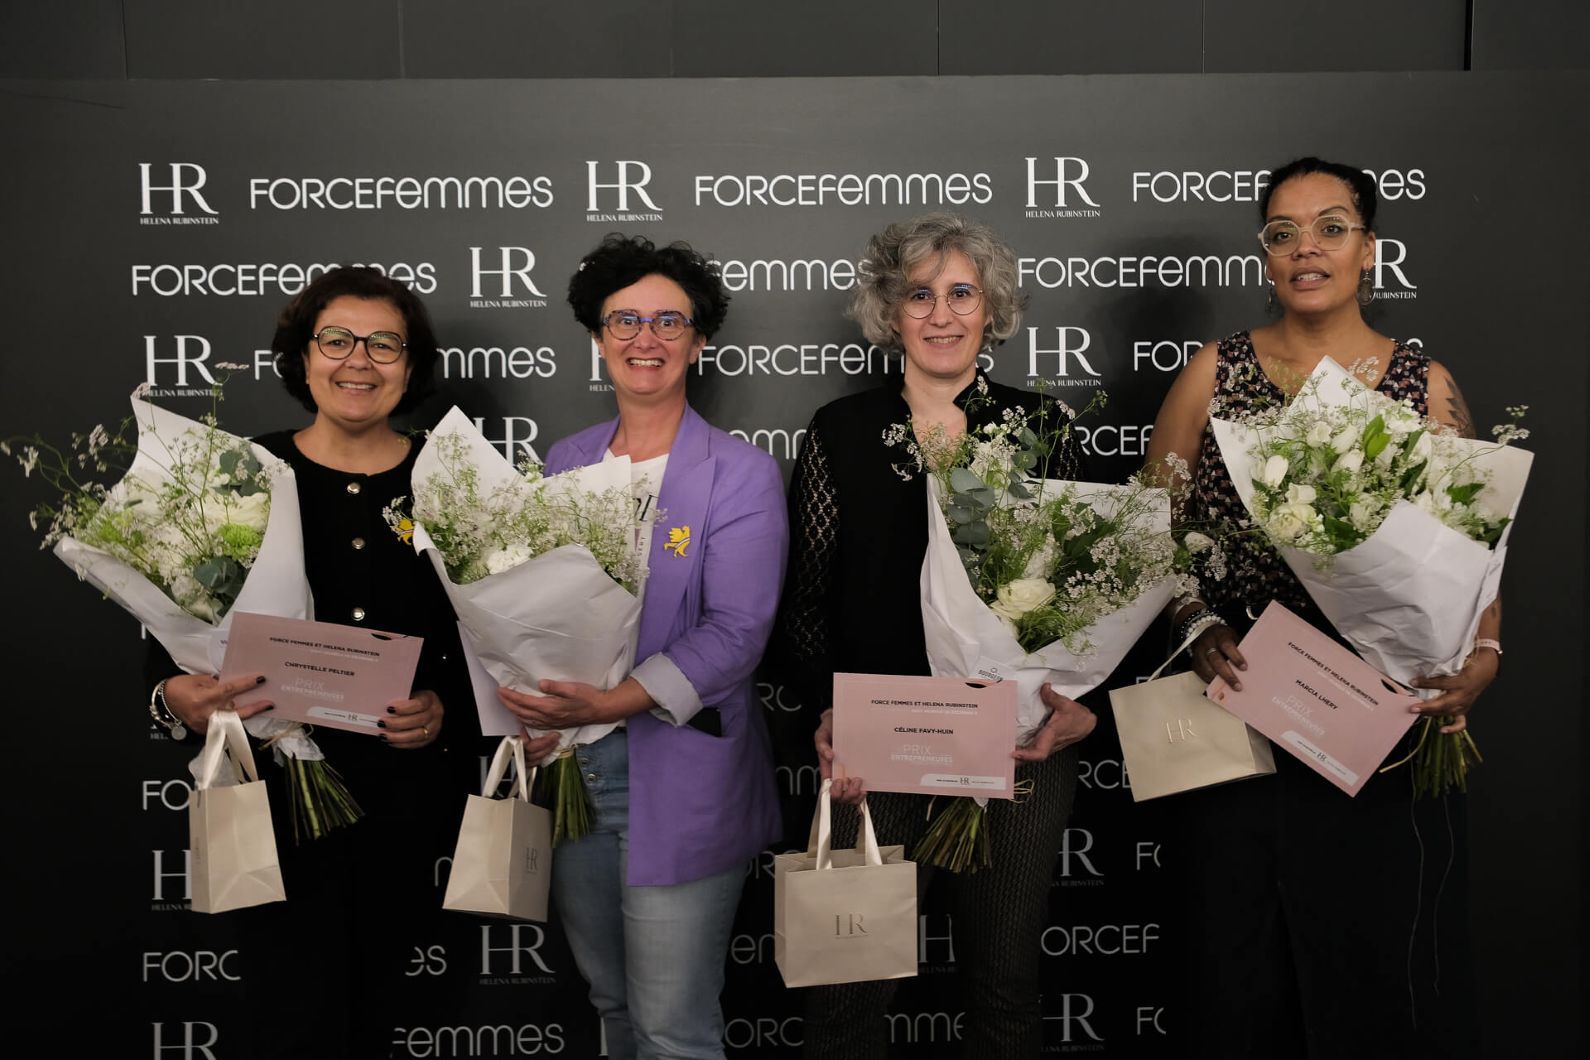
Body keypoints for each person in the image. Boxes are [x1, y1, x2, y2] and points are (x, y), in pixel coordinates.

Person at [1144, 156, 1494, 1057]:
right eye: (1283, 233)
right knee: (1230, 981)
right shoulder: (1211, 374)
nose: (1307, 249)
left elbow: (1475, 550)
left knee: (1368, 977)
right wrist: (1195, 623)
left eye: (1331, 228)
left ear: (1370, 249)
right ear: (1263, 255)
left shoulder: (1426, 386)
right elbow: (1147, 534)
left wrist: (1482, 652)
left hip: (1373, 728)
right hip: (1235, 722)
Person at [775, 212, 1098, 1058]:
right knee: (848, 997)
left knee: (1004, 992)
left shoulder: (1045, 429)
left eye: (962, 292)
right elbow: (807, 605)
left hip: (1017, 744)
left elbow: (1087, 601)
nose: (942, 313)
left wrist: (1076, 708)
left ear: (991, 308)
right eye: (919, 294)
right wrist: (827, 713)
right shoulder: (840, 432)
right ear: (890, 312)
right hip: (873, 753)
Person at [147, 265, 491, 1059]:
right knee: (289, 1021)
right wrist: (178, 699)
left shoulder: (455, 484)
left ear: (411, 367)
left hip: (413, 809)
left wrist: (445, 708)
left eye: (383, 344)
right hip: (271, 805)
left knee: (401, 1022)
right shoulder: (240, 477)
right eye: (336, 340)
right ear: (303, 359)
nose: (358, 361)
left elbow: (497, 645)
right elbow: (165, 640)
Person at [495, 234, 786, 1060]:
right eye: (624, 320)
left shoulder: (739, 474)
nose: (645, 339)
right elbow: (531, 610)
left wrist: (612, 702)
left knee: (672, 1025)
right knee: (614, 1006)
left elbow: (737, 634)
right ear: (597, 336)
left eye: (668, 320)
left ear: (699, 340)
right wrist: (532, 699)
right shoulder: (566, 461)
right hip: (576, 771)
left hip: (681, 772)